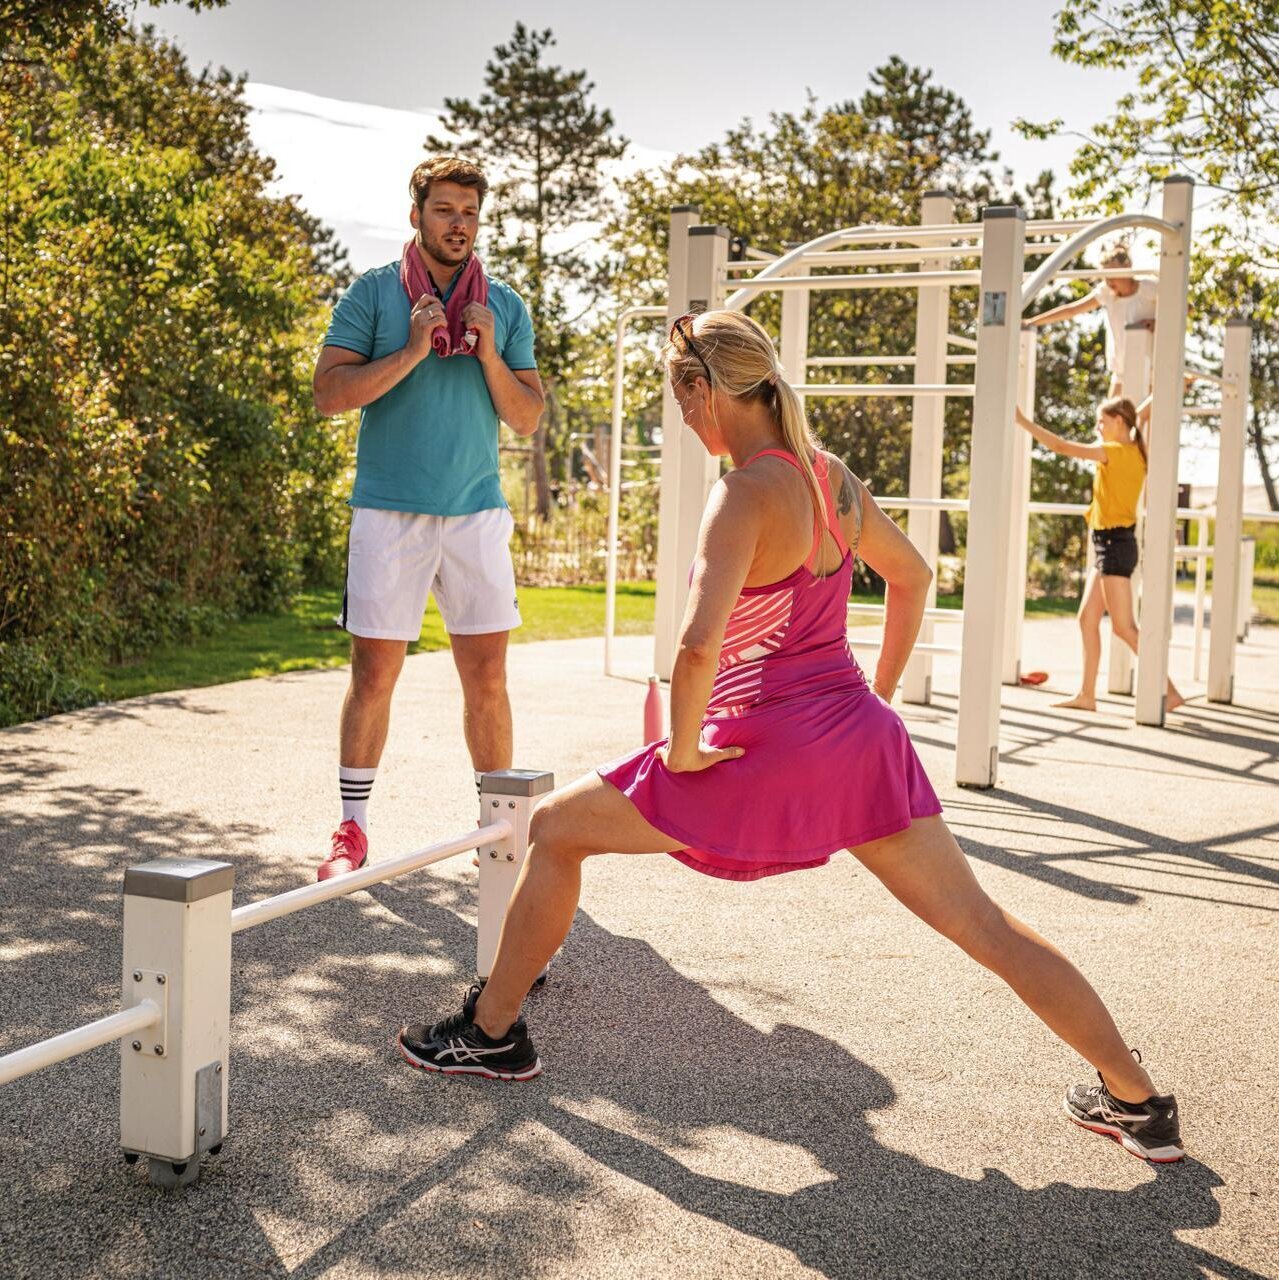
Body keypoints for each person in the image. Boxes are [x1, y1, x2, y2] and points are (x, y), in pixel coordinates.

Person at [395, 309, 1184, 1165]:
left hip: (763, 747)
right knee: (983, 924)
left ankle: (490, 1033)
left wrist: (686, 750)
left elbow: (697, 647)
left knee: (551, 829)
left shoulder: (741, 493)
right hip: (857, 740)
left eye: (683, 402)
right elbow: (912, 577)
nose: (686, 421)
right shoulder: (830, 478)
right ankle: (1136, 1100)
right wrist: (874, 698)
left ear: (706, 389)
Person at [311, 157, 544, 881]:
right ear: (416, 215)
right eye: (444, 211)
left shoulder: (501, 305)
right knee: (374, 675)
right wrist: (414, 350)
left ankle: (500, 829)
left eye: (469, 213)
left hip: (475, 514)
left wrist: (490, 357)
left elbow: (528, 417)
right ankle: (351, 829)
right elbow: (329, 394)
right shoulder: (374, 294)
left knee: (489, 678)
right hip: (387, 513)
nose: (458, 225)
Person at [1014, 398, 1184, 714]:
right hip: (1111, 545)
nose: (1098, 428)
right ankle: (1087, 695)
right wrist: (1164, 389)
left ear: (1119, 421)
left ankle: (1169, 691)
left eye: (1101, 422)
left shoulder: (1115, 452)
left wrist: (1021, 420)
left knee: (1124, 627)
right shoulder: (1135, 447)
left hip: (1115, 546)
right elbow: (1143, 411)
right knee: (1087, 618)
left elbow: (1061, 447)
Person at [1024, 243, 1156, 396]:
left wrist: (1157, 323)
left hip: (1152, 367)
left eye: (1112, 275)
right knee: (1108, 416)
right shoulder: (1106, 293)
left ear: (1128, 267)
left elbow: (1185, 308)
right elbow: (1072, 310)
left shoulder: (1149, 287)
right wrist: (1032, 321)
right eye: (1105, 277)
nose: (1109, 282)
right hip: (1121, 369)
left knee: (1148, 417)